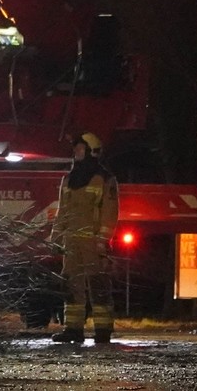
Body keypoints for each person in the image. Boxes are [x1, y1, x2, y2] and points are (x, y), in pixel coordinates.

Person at [49, 132, 120, 345]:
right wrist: (55, 237)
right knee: (71, 285)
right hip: (71, 242)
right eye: (76, 149)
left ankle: (103, 331)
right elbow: (63, 210)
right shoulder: (68, 179)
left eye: (81, 149)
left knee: (98, 284)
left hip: (93, 242)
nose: (76, 153)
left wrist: (102, 240)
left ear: (91, 152)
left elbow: (110, 212)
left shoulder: (105, 179)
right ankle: (73, 329)